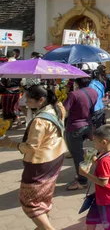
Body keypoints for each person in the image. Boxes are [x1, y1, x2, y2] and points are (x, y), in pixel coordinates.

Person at [0, 85, 67, 230]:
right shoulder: (58, 107)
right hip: (56, 155)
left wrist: (10, 143)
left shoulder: (40, 121)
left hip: (41, 161)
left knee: (29, 200)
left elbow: (31, 147)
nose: (24, 101)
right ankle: (43, 224)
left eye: (28, 99)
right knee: (44, 194)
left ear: (41, 100)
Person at [80, 126, 110, 230]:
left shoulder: (105, 160)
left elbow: (104, 182)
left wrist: (86, 174)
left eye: (95, 142)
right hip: (100, 196)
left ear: (104, 142)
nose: (94, 145)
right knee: (91, 219)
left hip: (108, 198)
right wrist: (94, 159)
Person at [63, 77, 98, 191]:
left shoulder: (74, 94)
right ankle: (84, 168)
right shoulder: (93, 92)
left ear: (77, 83)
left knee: (76, 154)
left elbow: (64, 109)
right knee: (79, 151)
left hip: (75, 127)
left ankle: (82, 180)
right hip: (87, 125)